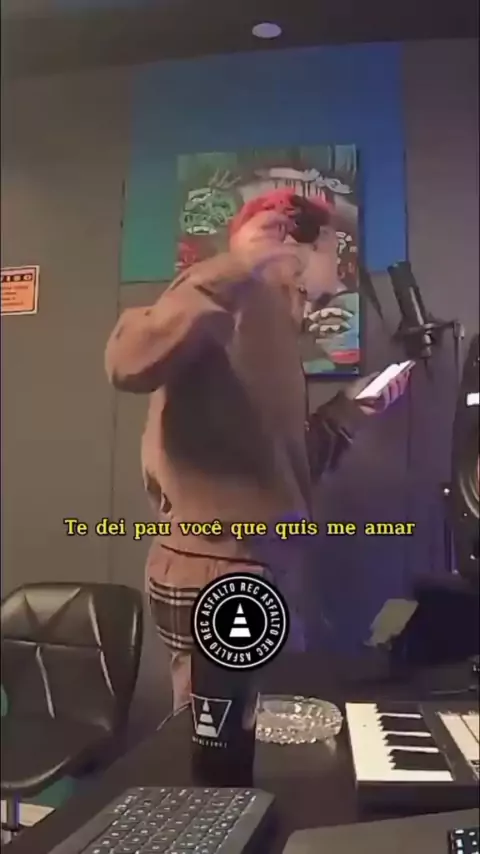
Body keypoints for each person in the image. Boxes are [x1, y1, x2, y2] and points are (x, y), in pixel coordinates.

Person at [105, 190, 411, 710]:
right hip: (221, 567)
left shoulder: (269, 326)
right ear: (286, 241)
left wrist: (352, 409)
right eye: (333, 248)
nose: (342, 268)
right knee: (217, 742)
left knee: (256, 735)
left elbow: (280, 471)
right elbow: (128, 358)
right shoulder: (236, 294)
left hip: (251, 564)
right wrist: (241, 264)